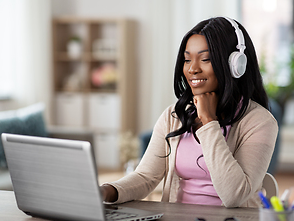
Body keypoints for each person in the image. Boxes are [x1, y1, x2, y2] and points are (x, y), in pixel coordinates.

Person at [100, 16, 278, 208]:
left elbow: (234, 195)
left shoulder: (260, 122)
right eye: (187, 59)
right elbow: (146, 176)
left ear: (236, 64)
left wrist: (209, 122)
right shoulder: (173, 117)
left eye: (205, 59)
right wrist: (105, 191)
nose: (192, 68)